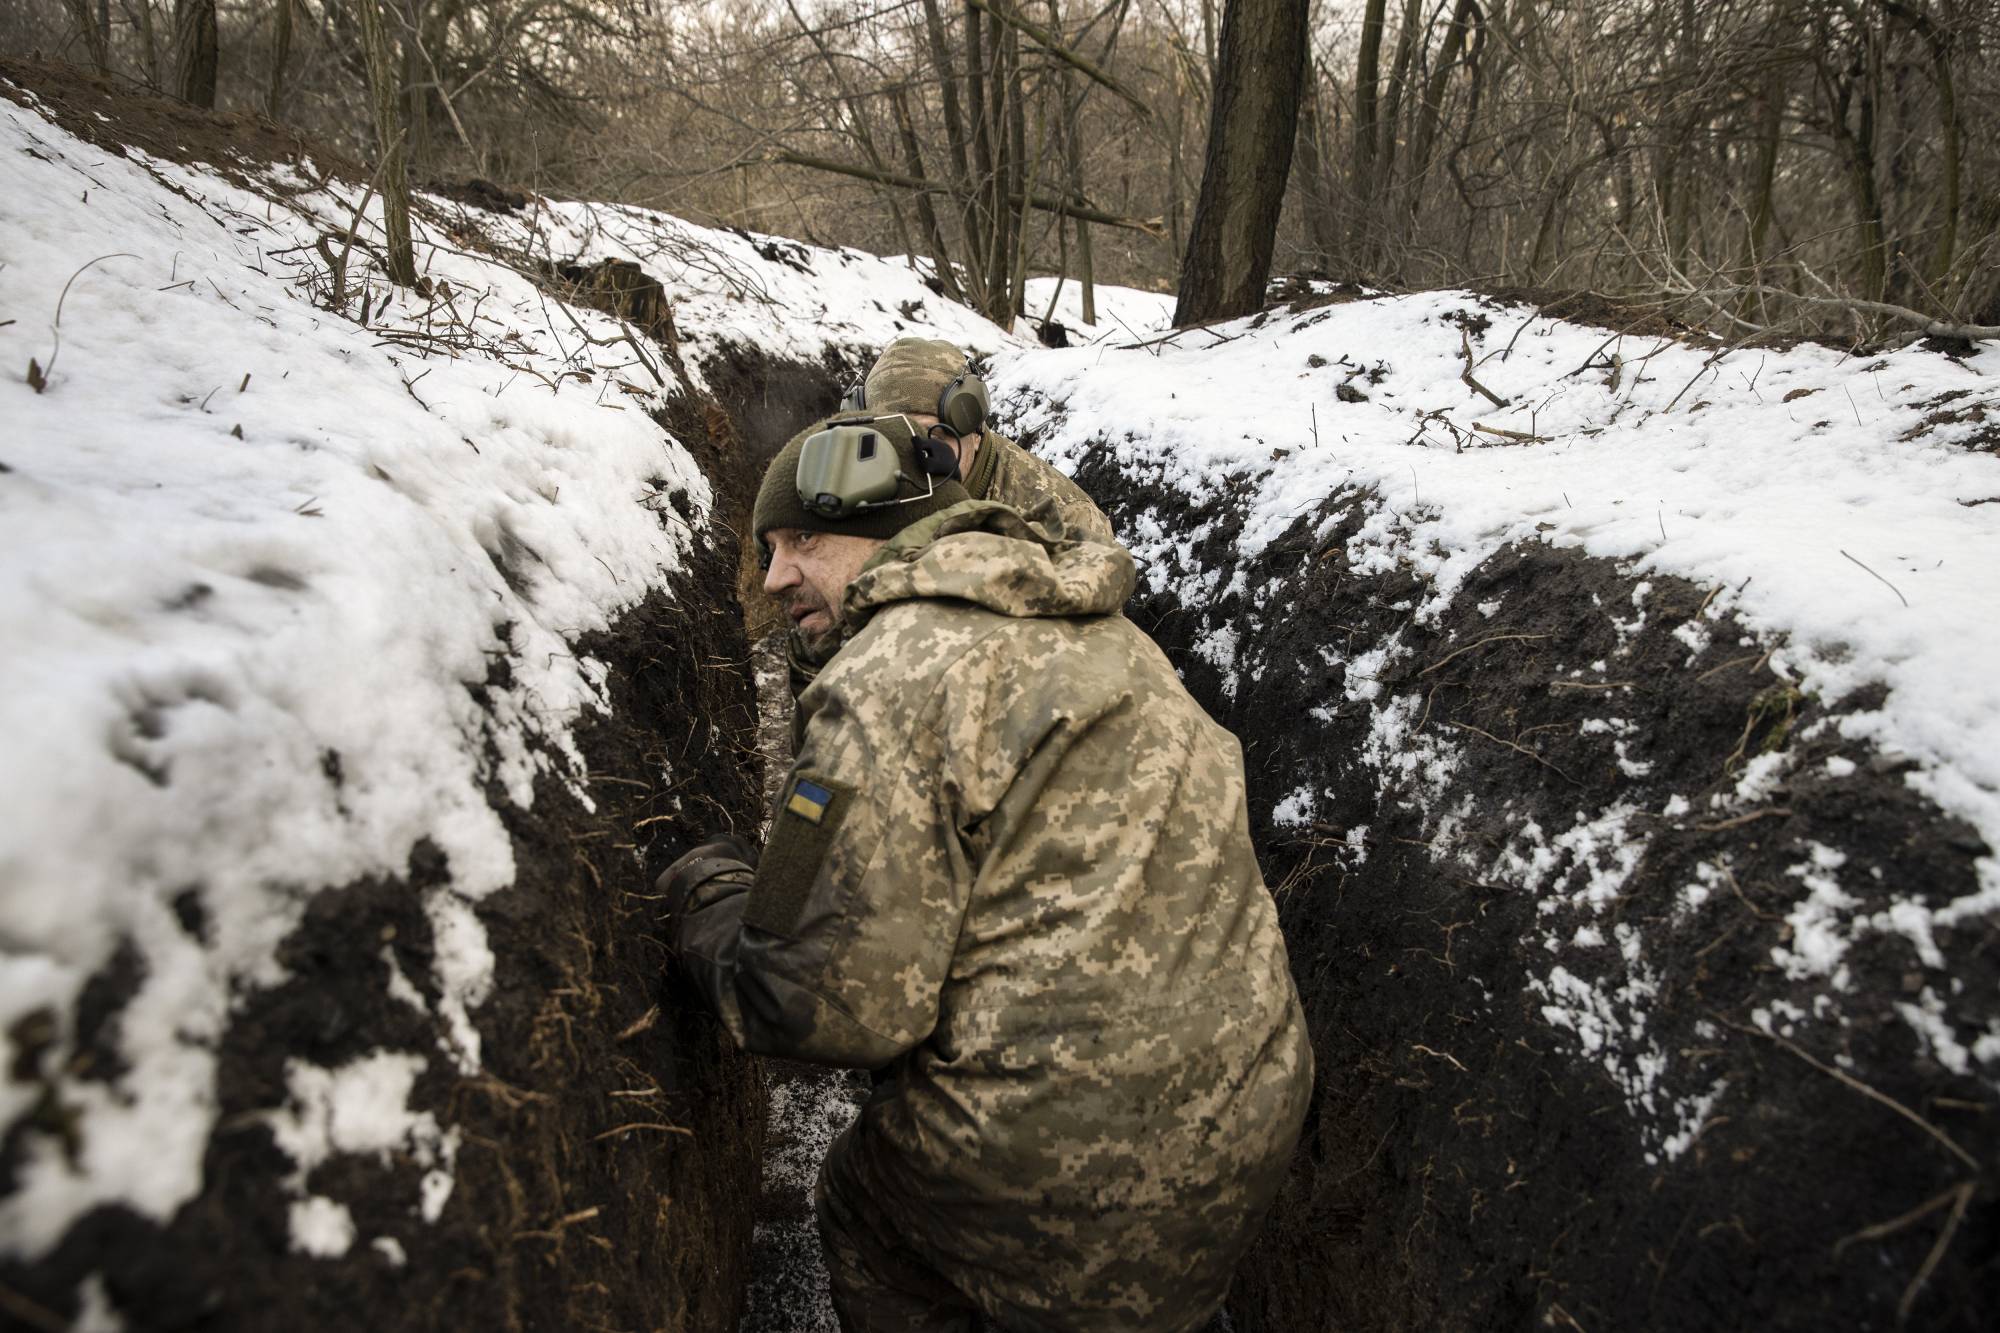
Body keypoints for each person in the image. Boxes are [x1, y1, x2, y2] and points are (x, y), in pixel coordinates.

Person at [657, 414, 1312, 1332]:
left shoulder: (886, 682)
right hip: (1254, 1116)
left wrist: (708, 890)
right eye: (767, 549)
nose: (773, 579)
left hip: (1059, 1175)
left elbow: (818, 1006)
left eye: (800, 539)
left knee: (858, 1202)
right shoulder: (1107, 630)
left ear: (882, 531)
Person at [787, 337, 1115, 704]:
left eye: (937, 436)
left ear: (974, 430)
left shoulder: (1063, 517)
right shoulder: (866, 482)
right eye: (894, 438)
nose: (916, 459)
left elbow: (1086, 663)